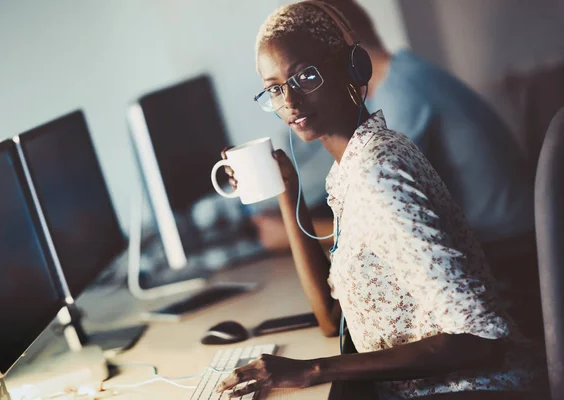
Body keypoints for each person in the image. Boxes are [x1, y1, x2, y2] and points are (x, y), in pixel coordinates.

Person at [215, 3, 544, 399]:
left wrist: (313, 370)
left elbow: (479, 338)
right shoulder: (351, 167)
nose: (290, 101)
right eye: (274, 88)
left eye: (306, 75)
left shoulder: (377, 173)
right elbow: (331, 318)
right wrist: (287, 189)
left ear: (354, 67)